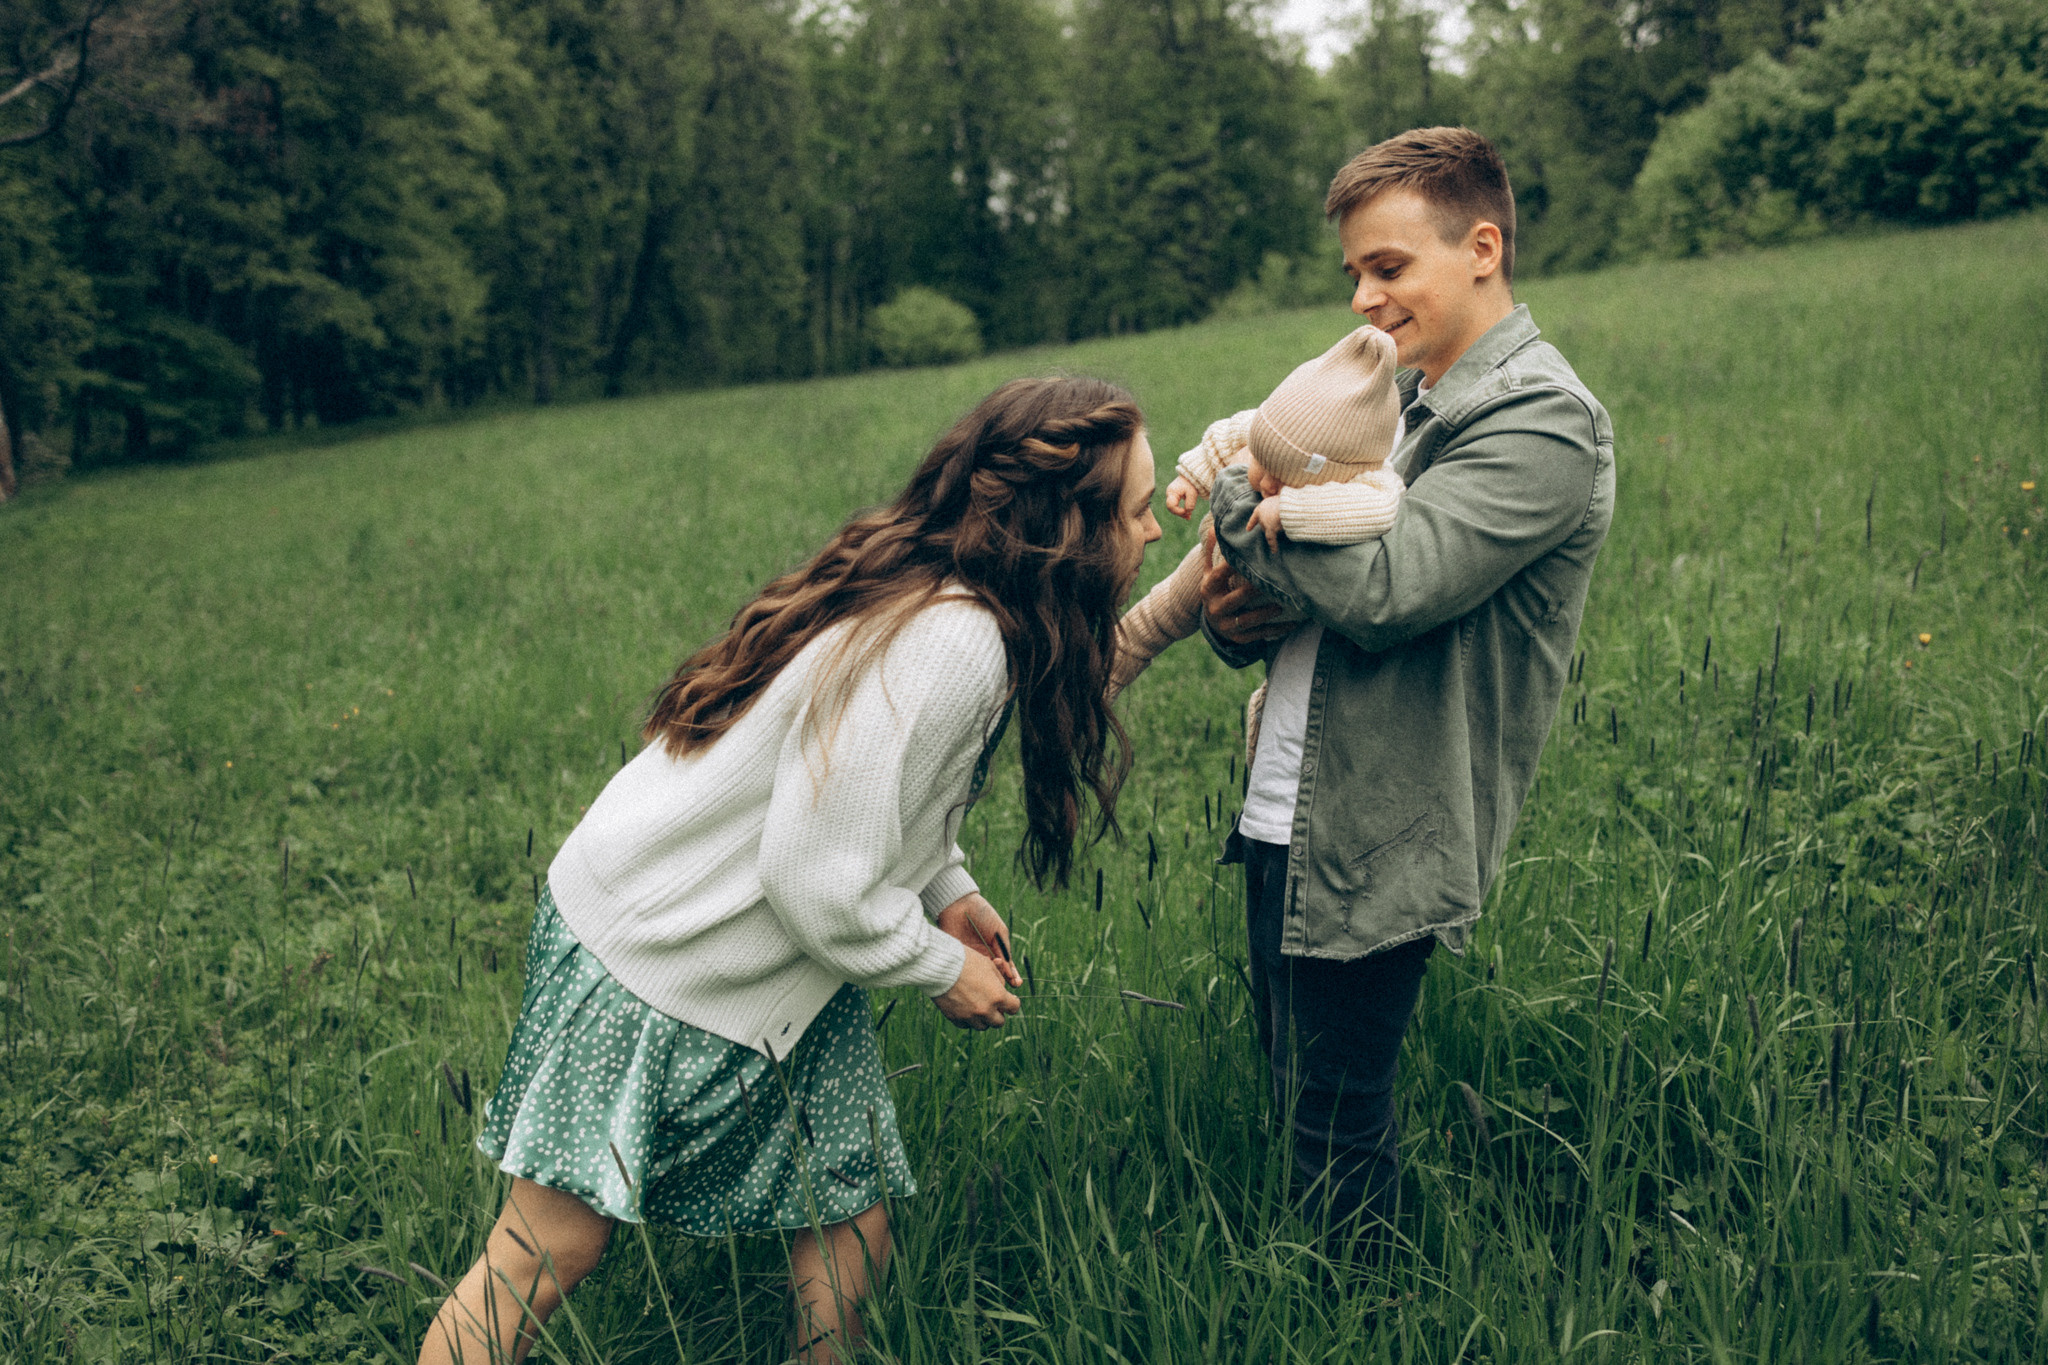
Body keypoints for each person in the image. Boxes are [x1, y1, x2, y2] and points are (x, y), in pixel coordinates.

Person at [417, 377, 1161, 1365]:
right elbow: (812, 873)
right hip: (656, 957)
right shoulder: (952, 640)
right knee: (547, 1247)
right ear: (1064, 534)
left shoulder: (954, 602)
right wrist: (941, 970)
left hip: (752, 959)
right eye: (1137, 511)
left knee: (846, 1204)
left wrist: (947, 890)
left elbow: (874, 794)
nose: (1151, 532)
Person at [1198, 127, 1616, 1241]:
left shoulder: (1537, 418)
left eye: (1388, 268)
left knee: (1337, 1131)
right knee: (1296, 1100)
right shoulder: (1404, 404)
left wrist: (1240, 503)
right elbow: (1310, 597)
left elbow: (1384, 590)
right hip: (1289, 797)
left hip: (1383, 820)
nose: (1364, 300)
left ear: (1480, 247)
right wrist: (1231, 617)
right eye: (1353, 274)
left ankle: (1363, 1319)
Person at [1112, 324, 1404, 757]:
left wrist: (1291, 512)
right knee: (1163, 609)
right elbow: (1234, 432)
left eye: (1280, 477)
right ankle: (1109, 666)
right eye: (1260, 463)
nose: (1262, 481)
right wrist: (1193, 474)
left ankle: (1264, 729)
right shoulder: (1282, 429)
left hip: (1287, 577)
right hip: (1226, 550)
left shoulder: (1371, 478)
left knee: (1271, 681)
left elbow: (1374, 509)